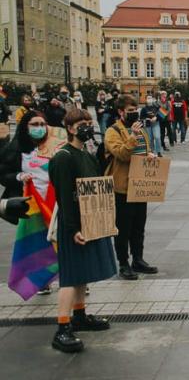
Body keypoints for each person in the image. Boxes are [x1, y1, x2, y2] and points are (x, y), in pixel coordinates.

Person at [48, 108, 116, 352]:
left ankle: (79, 315)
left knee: (81, 274)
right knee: (69, 276)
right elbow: (65, 196)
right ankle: (62, 328)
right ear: (69, 128)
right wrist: (72, 228)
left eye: (89, 122)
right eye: (81, 123)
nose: (87, 126)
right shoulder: (64, 157)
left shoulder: (85, 154)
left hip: (88, 221)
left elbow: (96, 187)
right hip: (72, 225)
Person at [0, 110, 60, 296]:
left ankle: (71, 276)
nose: (39, 128)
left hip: (54, 200)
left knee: (61, 239)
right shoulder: (15, 148)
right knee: (36, 244)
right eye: (35, 124)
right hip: (31, 203)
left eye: (43, 124)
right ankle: (40, 280)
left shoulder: (53, 145)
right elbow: (3, 174)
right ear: (25, 127)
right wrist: (19, 177)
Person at [105, 94, 158, 280]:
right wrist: (133, 136)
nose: (134, 114)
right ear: (120, 112)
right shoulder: (113, 131)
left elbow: (144, 150)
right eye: (129, 111)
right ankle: (123, 263)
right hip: (122, 186)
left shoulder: (140, 130)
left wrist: (150, 155)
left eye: (135, 110)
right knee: (123, 228)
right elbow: (121, 154)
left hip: (139, 185)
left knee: (138, 226)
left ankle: (138, 259)